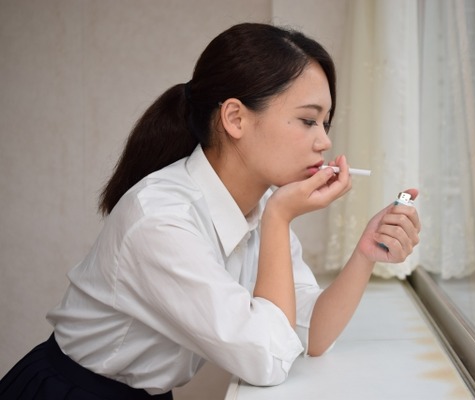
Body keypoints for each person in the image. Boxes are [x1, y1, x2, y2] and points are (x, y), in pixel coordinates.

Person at [0, 22, 420, 399]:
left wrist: (365, 253)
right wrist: (279, 218)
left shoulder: (257, 209)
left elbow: (309, 334)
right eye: (308, 120)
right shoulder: (161, 220)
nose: (324, 142)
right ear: (235, 118)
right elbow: (268, 360)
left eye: (325, 123)